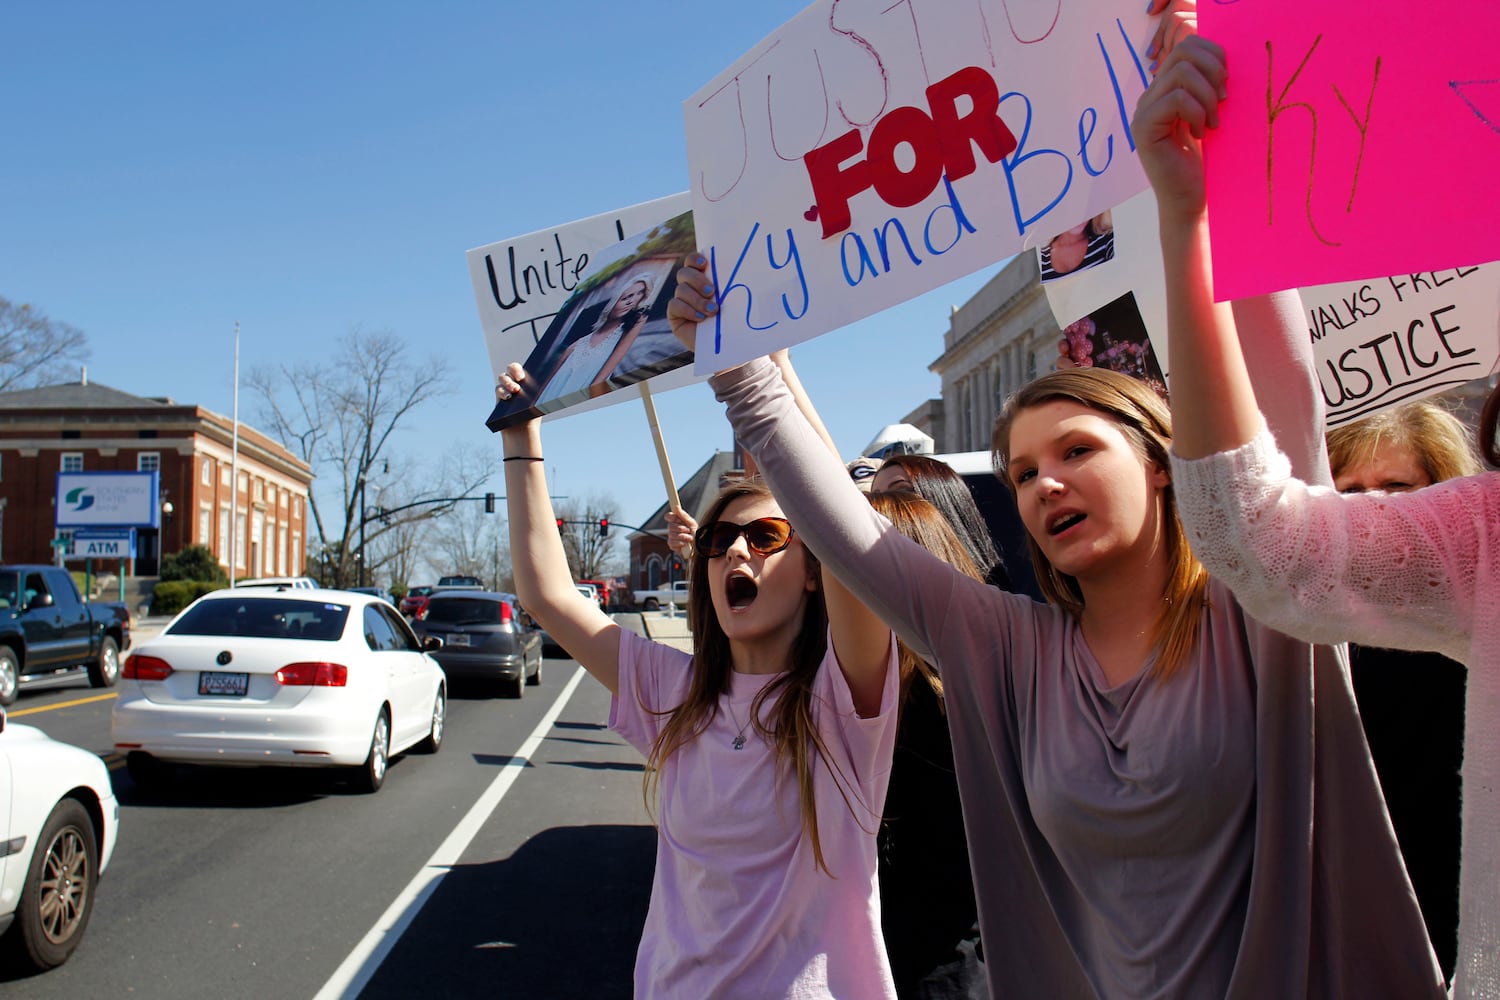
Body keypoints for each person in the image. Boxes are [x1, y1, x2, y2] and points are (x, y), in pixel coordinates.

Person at [666, 251, 1444, 995]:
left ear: (1161, 462)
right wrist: (743, 372)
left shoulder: (1262, 615)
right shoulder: (1014, 649)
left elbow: (1280, 409)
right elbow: (851, 535)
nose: (1046, 484)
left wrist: (1204, 203)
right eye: (1024, 472)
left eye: (1076, 450)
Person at [1136, 35, 1499, 996]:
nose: (1379, 509)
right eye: (1362, 493)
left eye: (1403, 490)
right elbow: (1261, 526)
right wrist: (1195, 219)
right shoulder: (1484, 544)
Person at [496, 362, 900, 998]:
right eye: (718, 540)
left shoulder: (843, 704)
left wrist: (773, 359)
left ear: (817, 569)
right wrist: (521, 435)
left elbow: (847, 523)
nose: (736, 552)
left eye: (766, 536)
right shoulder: (675, 695)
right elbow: (547, 596)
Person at [670, 491, 991, 998]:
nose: (860, 564)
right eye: (721, 539)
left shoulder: (865, 700)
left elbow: (832, 521)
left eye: (878, 549)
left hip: (929, 969)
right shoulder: (831, 688)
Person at [1325, 401, 1481, 983]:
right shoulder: (1297, 629)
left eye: (1397, 484)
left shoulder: (1481, 615)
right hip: (1351, 929)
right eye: (1351, 488)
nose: (1374, 504)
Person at [872, 455, 1010, 590]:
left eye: (902, 491)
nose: (883, 505)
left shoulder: (998, 603)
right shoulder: (877, 588)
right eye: (875, 496)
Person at [535, 273, 654, 404]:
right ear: (615, 300)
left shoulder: (635, 323)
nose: (632, 301)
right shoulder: (574, 347)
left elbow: (598, 384)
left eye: (640, 295)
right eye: (627, 296)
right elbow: (543, 388)